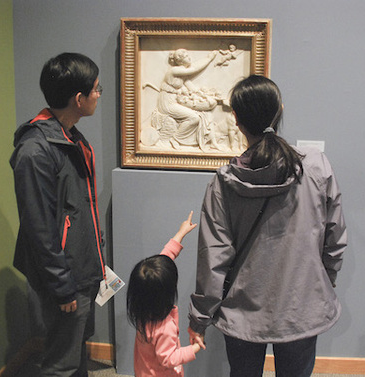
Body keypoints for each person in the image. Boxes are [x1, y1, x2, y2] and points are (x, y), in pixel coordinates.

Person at [188, 75, 347, 377]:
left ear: (236, 119)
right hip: (302, 304)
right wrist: (325, 279)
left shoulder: (225, 182)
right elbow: (334, 237)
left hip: (242, 309)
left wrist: (199, 318)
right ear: (280, 110)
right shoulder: (316, 167)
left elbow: (213, 259)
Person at [10, 52, 105, 376]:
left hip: (81, 266)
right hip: (66, 273)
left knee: (75, 349)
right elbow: (38, 227)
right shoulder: (35, 151)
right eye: (96, 89)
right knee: (61, 362)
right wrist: (61, 285)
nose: (98, 94)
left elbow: (77, 206)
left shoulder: (71, 138)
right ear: (79, 99)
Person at [127, 211, 206, 377]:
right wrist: (196, 348)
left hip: (144, 371)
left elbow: (165, 258)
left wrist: (181, 233)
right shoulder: (164, 327)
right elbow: (169, 359)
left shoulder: (143, 308)